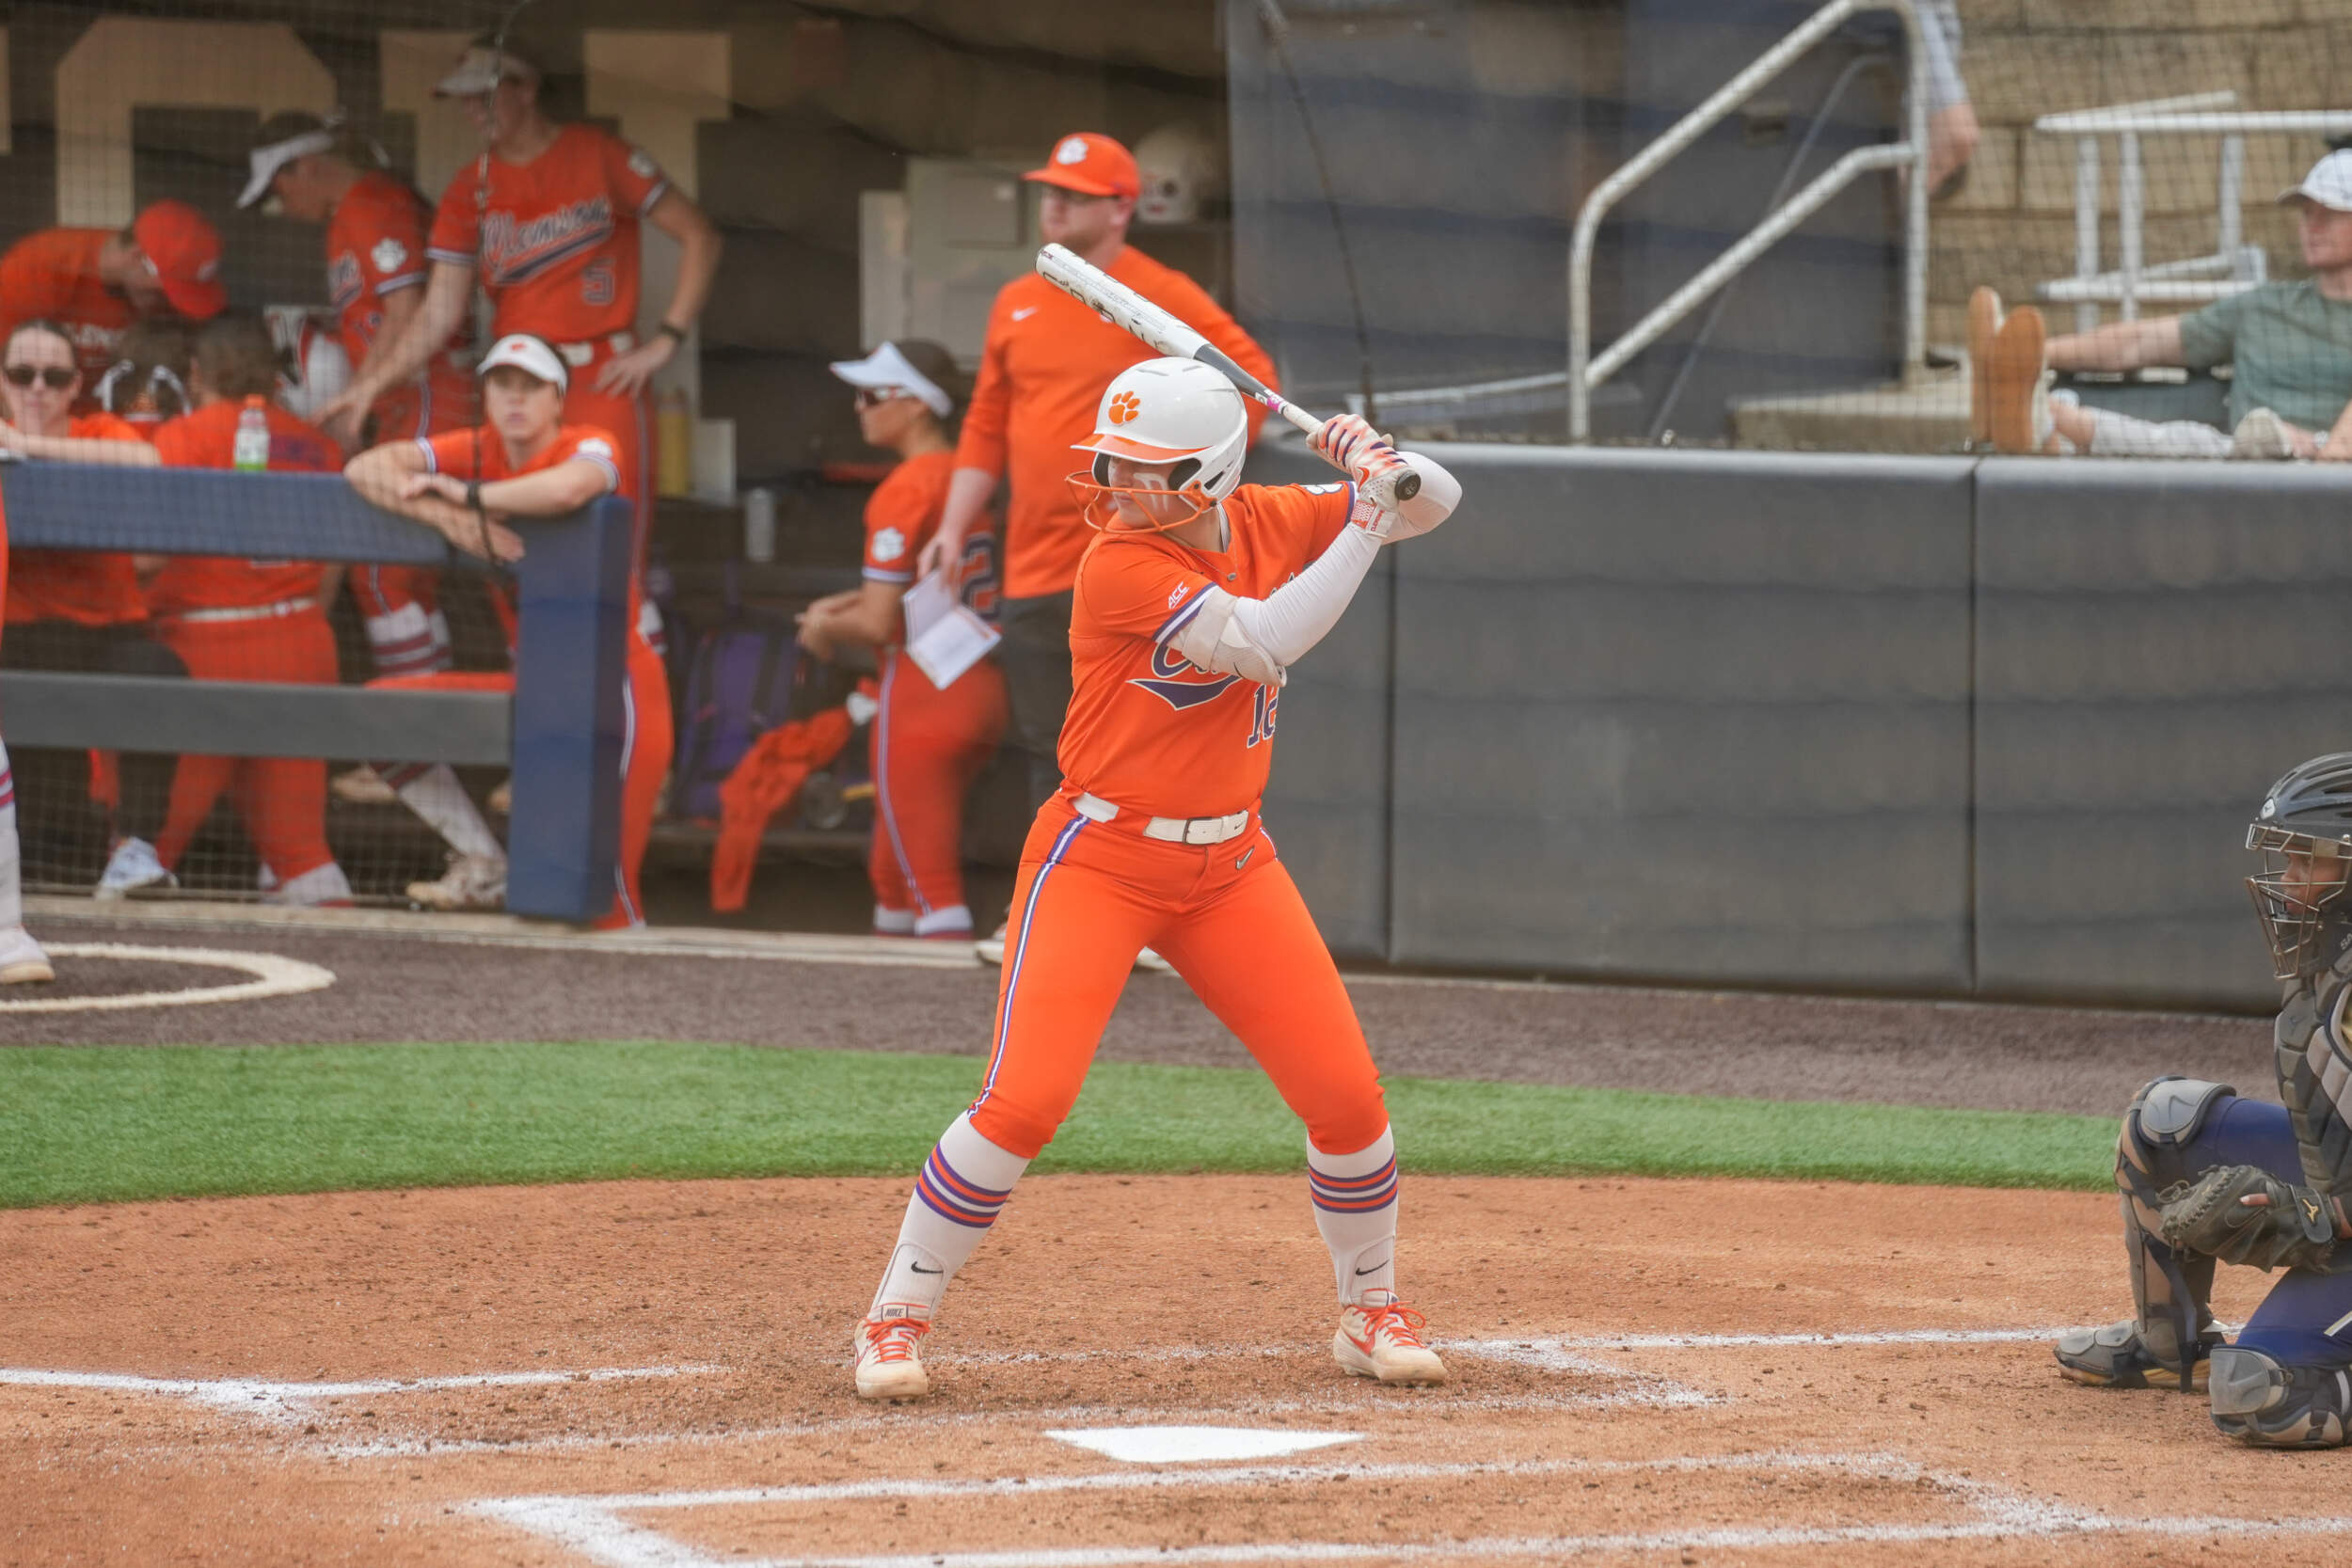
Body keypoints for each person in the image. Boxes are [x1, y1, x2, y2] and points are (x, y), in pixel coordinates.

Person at [850, 358, 1463, 1402]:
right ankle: (894, 1316)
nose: (1123, 487)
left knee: (1346, 1098)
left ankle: (1371, 1309)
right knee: (1025, 1102)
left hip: (1231, 864)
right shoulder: (1118, 563)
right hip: (1099, 857)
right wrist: (1364, 518)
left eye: (1150, 470)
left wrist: (1375, 461)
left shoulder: (1268, 515)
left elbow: (1435, 501)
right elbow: (1263, 639)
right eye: (1115, 464)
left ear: (1214, 472)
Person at [911, 132, 1276, 966]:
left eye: (1074, 194)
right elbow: (986, 423)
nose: (1054, 204)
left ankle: (1136, 921)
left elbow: (1249, 385)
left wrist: (1184, 505)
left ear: (1121, 209)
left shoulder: (1162, 293)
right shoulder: (1016, 300)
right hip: (1037, 567)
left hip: (1141, 571)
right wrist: (953, 526)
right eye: (1050, 191)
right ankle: (1053, 916)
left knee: (1141, 751)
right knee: (1051, 748)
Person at [318, 36, 722, 596]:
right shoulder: (470, 186)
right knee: (513, 555)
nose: (471, 110)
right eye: (463, 99)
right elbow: (439, 310)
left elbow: (700, 234)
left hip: (601, 374)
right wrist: (370, 387)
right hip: (519, 385)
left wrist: (666, 339)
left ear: (527, 90)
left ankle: (629, 652)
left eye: (483, 95)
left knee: (615, 559)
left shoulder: (598, 153)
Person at [2053, 750, 2352, 1448]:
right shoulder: (2331, 963)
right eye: (2289, 858)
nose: (2290, 878)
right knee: (2163, 1123)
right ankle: (2170, 1346)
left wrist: (2324, 1216)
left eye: (2310, 860)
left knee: (2262, 1393)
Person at [344, 332, 672, 926]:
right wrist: (449, 519)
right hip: (538, 688)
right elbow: (364, 467)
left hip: (614, 687)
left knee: (606, 897)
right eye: (502, 385)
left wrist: (469, 495)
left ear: (557, 399)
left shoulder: (588, 441)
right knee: (379, 714)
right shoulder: (477, 446)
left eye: (531, 387)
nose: (515, 399)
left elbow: (571, 488)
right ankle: (486, 862)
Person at [240, 110, 481, 697]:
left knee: (379, 572)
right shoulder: (349, 213)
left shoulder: (372, 201)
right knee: (403, 575)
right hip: (409, 401)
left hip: (432, 392)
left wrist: (355, 398)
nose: (280, 206)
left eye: (279, 189)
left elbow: (406, 310)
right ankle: (430, 717)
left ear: (306, 166)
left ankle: (415, 728)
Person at [798, 340, 1007, 942]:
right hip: (985, 683)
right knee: (892, 877)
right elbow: (918, 589)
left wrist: (820, 626)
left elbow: (874, 623)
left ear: (916, 404)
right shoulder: (970, 476)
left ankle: (951, 1005)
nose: (858, 408)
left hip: (921, 694)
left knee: (934, 894)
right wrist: (840, 606)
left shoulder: (907, 484)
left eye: (871, 395)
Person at [141, 315, 352, 905]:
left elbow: (147, 555)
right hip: (301, 642)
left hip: (207, 651)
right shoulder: (319, 445)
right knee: (300, 851)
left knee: (151, 844)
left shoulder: (183, 435)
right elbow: (335, 566)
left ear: (196, 372)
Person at [1975, 150, 2352, 458]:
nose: (2312, 227)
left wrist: (2321, 447)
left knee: (2192, 443)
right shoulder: (2264, 307)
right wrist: (2037, 353)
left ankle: (2043, 419)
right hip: (2235, 466)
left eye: (2329, 214)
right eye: (2307, 214)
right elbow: (2140, 342)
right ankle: (2028, 408)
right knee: (2189, 442)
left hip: (2318, 474)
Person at [0, 319, 191, 898]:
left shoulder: (98, 429)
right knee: (41, 809)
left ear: (75, 385)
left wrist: (23, 447)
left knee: (159, 671)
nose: (38, 388)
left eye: (54, 377)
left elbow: (146, 461)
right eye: (22, 374)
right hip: (16, 635)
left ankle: (135, 849)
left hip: (105, 633)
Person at [0, 200, 226, 391]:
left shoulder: (168, 302)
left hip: (130, 417)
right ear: (137, 258)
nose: (171, 303)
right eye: (167, 291)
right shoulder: (35, 269)